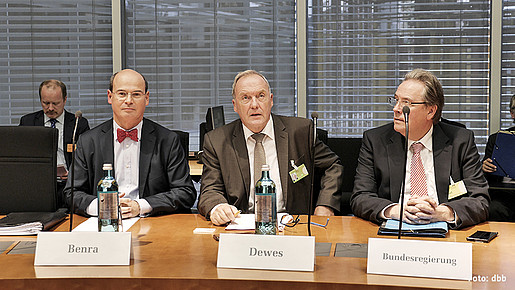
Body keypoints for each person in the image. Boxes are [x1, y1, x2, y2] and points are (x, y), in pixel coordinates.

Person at [198, 70, 343, 226]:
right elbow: (210, 190)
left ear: (271, 100)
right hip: (240, 226)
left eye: (261, 96)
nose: (254, 105)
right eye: (245, 98)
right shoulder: (217, 141)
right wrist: (218, 207)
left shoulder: (300, 132)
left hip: (293, 225)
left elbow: (333, 166)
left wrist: (325, 205)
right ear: (235, 105)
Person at [351, 68, 489, 229]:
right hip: (394, 231)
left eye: (406, 103)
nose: (396, 108)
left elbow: (480, 200)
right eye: (396, 100)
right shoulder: (375, 140)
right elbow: (360, 197)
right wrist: (395, 210)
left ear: (431, 111)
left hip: (445, 233)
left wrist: (442, 212)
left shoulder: (460, 141)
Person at [64, 69, 196, 218]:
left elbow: (185, 192)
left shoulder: (168, 140)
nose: (128, 100)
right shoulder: (88, 141)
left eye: (136, 94)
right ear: (110, 96)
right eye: (121, 94)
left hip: (152, 224)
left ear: (146, 98)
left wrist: (140, 206)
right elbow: (71, 193)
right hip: (103, 224)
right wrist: (104, 207)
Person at [20, 80, 90, 208]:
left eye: (55, 103)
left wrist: (74, 174)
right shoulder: (28, 122)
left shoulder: (78, 124)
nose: (50, 108)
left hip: (68, 186)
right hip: (39, 187)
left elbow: (87, 158)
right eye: (46, 103)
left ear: (65, 99)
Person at [482, 95, 515, 221]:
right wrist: (485, 168)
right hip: (504, 195)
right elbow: (488, 178)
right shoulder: (497, 139)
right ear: (512, 113)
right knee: (492, 208)